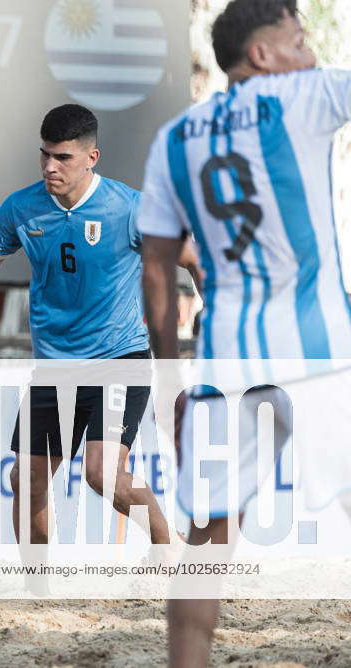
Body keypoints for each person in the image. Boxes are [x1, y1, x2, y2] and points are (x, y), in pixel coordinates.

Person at [138, 1, 351, 665]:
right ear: (263, 55)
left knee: (206, 542)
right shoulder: (308, 94)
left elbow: (156, 276)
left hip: (228, 360)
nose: (311, 52)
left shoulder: (174, 137)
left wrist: (171, 377)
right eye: (299, 38)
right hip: (320, 351)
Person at [0, 105, 199, 566]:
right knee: (26, 480)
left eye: (62, 157)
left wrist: (213, 312)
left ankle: (169, 544)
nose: (49, 167)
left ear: (92, 158)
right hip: (55, 369)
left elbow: (193, 258)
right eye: (44, 155)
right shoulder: (21, 208)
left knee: (103, 475)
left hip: (118, 360)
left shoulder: (129, 208)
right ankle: (38, 590)